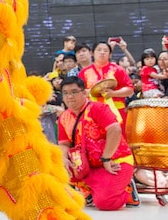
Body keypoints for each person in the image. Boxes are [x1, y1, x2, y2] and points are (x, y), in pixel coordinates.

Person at [57, 77, 139, 210]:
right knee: (53, 171)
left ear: (84, 93)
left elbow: (115, 130)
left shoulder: (98, 108)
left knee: (105, 203)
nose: (69, 97)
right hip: (86, 165)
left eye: (74, 92)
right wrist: (63, 159)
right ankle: (93, 190)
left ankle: (127, 189)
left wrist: (106, 158)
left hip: (115, 162)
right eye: (65, 93)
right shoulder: (64, 117)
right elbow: (64, 144)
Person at [79, 41, 133, 132]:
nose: (102, 52)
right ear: (92, 53)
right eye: (99, 50)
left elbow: (130, 89)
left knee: (119, 140)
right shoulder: (84, 72)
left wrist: (113, 93)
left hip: (116, 110)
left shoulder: (118, 69)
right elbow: (79, 91)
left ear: (110, 54)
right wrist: (87, 92)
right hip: (93, 112)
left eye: (106, 50)